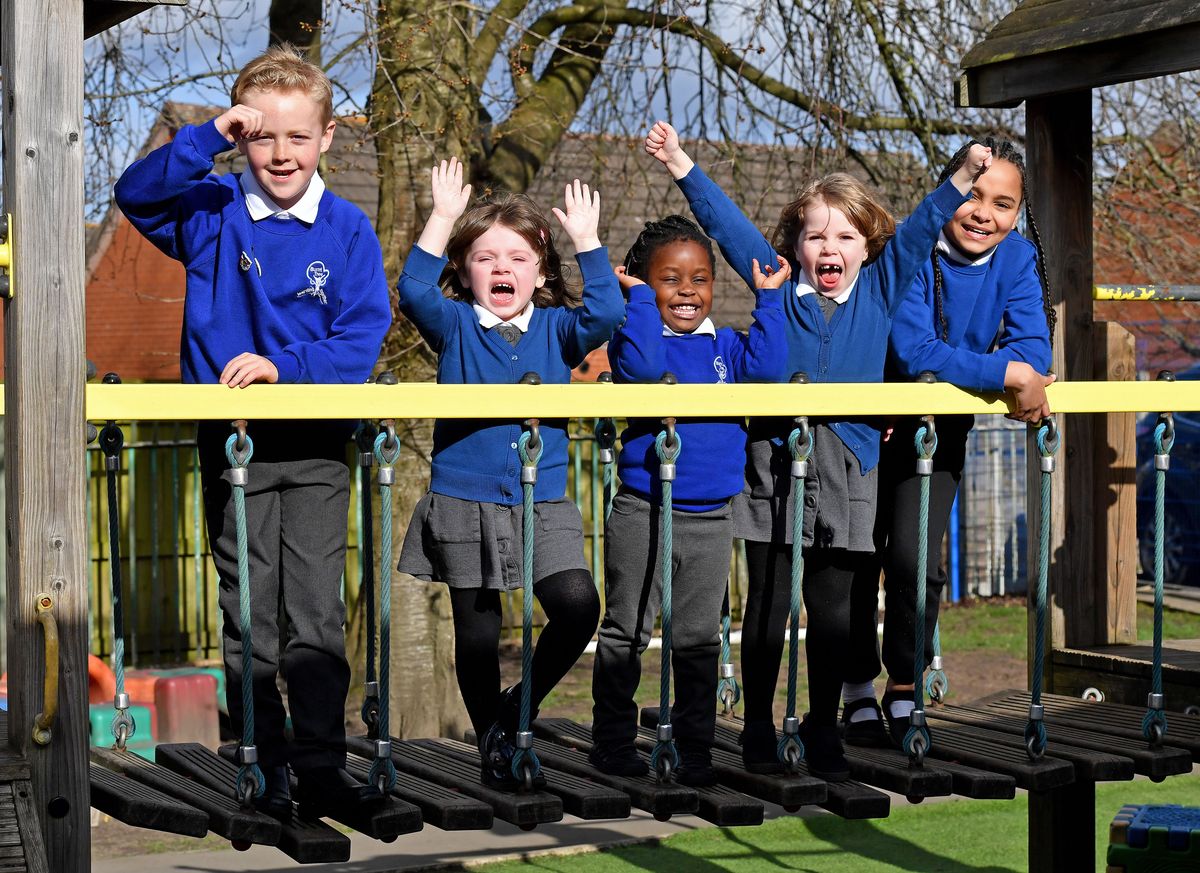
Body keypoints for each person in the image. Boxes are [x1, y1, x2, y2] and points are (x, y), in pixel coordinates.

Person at [644, 120, 989, 780]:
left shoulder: (882, 287)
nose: (829, 247)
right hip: (776, 462)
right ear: (796, 244)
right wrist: (681, 162)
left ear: (866, 247)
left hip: (851, 463)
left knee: (833, 611)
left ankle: (824, 726)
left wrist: (963, 178)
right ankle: (756, 731)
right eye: (816, 234)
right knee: (770, 605)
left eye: (845, 236)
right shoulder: (776, 281)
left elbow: (920, 226)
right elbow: (727, 226)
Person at [115, 45, 392, 817]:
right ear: (243, 137)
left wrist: (285, 367)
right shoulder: (211, 211)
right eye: (262, 136)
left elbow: (362, 335)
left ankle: (323, 765)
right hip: (231, 443)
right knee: (251, 614)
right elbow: (133, 194)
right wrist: (207, 137)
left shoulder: (345, 228)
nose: (279, 153)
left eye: (297, 137)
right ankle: (265, 765)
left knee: (314, 612)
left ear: (327, 138)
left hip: (311, 445)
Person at [395, 158, 622, 789]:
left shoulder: (557, 330)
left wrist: (588, 243)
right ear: (465, 273)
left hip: (542, 499)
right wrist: (441, 220)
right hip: (462, 498)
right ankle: (494, 746)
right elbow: (412, 292)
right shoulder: (456, 325)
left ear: (542, 272)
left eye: (519, 258)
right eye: (487, 258)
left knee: (577, 607)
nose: (502, 269)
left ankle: (514, 714)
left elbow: (606, 313)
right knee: (477, 633)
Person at [841, 137, 1054, 748]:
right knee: (859, 556)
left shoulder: (1015, 261)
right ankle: (856, 689)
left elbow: (1034, 349)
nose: (984, 213)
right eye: (974, 195)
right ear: (951, 190)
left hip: (939, 430)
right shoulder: (913, 247)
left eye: (1003, 204)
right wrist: (1005, 374)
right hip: (868, 422)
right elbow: (911, 351)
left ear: (1018, 215)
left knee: (913, 559)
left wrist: (1019, 368)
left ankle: (905, 687)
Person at [589, 216, 787, 785]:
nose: (686, 291)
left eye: (699, 279)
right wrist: (638, 307)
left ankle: (695, 748)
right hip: (643, 511)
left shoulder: (726, 345)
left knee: (699, 638)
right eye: (668, 279)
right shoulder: (635, 341)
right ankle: (613, 742)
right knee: (628, 629)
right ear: (641, 285)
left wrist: (769, 300)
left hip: (710, 516)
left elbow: (769, 370)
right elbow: (647, 372)